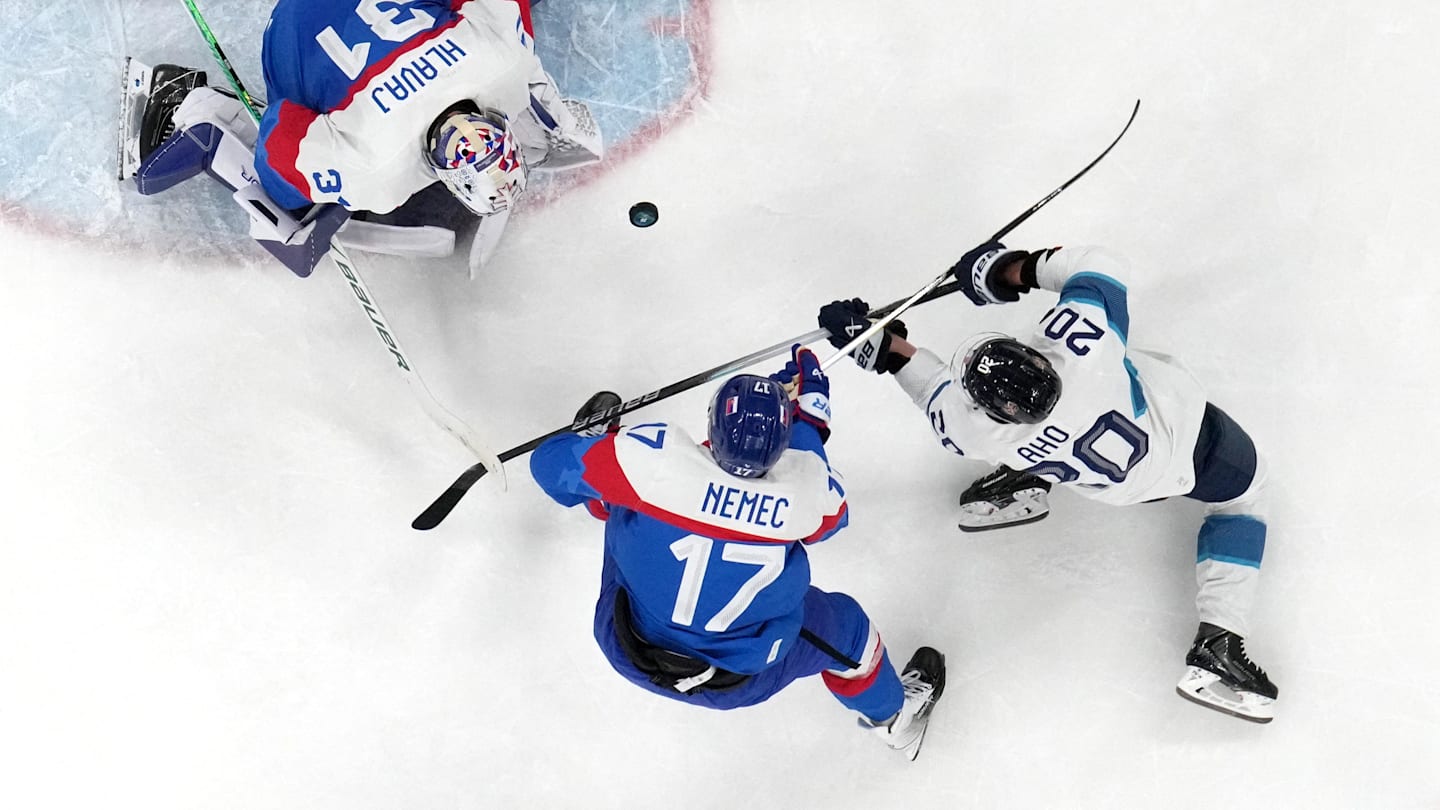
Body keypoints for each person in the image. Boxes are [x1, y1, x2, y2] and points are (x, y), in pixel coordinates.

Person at [817, 242, 1278, 723]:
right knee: (1247, 497)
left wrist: (881, 345)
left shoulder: (971, 429)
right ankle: (1220, 639)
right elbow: (1099, 264)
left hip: (1105, 485)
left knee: (1024, 448)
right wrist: (1007, 270)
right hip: (1182, 446)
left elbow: (929, 384)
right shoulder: (1086, 348)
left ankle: (1023, 480)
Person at [528, 347, 946, 759]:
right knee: (852, 635)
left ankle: (599, 486)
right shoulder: (805, 492)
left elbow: (547, 467)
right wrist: (808, 422)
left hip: (623, 639)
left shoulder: (651, 463)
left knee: (624, 493)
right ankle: (895, 720)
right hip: (737, 679)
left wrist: (597, 452)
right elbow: (830, 517)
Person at [117, 0, 600, 276]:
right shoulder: (376, 175)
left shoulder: (504, 61)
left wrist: (533, 85)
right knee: (290, 212)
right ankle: (201, 115)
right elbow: (280, 137)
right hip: (291, 24)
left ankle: (539, 111)